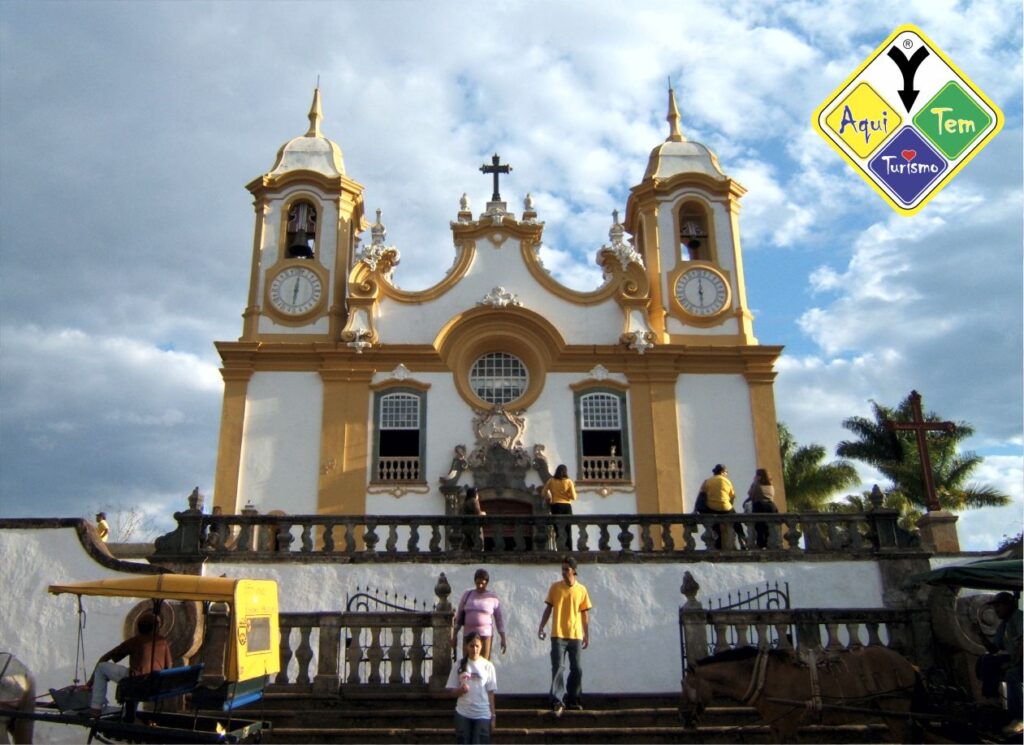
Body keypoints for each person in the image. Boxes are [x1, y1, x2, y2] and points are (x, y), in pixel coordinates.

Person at [87, 612, 173, 716]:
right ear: (156, 627)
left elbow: (105, 658)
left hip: (136, 683)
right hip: (153, 684)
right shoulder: (162, 641)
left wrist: (90, 682)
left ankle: (96, 707)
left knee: (101, 667)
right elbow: (169, 666)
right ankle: (128, 716)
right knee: (136, 676)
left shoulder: (135, 641)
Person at [537, 557, 591, 715]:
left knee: (577, 669)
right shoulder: (555, 588)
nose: (563, 572)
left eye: (566, 569)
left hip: (575, 635)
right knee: (558, 668)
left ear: (574, 570)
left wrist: (586, 634)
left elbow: (584, 614)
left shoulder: (581, 590)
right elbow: (548, 609)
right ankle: (557, 701)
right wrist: (541, 626)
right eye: (562, 569)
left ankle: (573, 699)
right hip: (558, 634)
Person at [978, 591, 1023, 732]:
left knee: (1012, 674)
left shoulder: (1019, 617)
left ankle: (1019, 718)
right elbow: (994, 649)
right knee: (986, 660)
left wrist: (1013, 664)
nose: (996, 610)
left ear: (1008, 605)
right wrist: (980, 635)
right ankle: (992, 700)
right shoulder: (1005, 624)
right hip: (1015, 658)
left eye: (999, 605)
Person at [446, 632, 497, 744]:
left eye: (477, 646)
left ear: (481, 646)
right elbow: (450, 691)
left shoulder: (488, 666)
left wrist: (493, 716)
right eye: (472, 646)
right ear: (466, 646)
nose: (474, 649)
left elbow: (490, 693)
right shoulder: (459, 665)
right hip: (463, 713)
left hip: (482, 714)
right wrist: (460, 691)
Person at [452, 569, 507, 660]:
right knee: (467, 662)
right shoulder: (467, 595)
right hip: (468, 634)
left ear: (487, 583)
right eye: (478, 583)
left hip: (485, 635)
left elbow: (499, 619)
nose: (480, 586)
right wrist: (454, 635)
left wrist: (503, 638)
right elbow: (460, 615)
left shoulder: (492, 597)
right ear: (475, 582)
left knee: (484, 663)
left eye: (483, 583)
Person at [697, 464, 746, 550]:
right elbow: (732, 497)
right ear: (723, 472)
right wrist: (729, 506)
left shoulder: (707, 481)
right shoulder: (727, 481)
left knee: (715, 526)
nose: (727, 474)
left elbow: (701, 495)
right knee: (736, 520)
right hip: (725, 507)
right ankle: (742, 536)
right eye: (726, 472)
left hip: (712, 508)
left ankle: (717, 546)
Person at [543, 464, 577, 551]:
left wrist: (549, 497)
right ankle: (569, 549)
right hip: (566, 506)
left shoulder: (551, 481)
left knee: (557, 529)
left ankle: (560, 547)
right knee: (567, 529)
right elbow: (574, 497)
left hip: (555, 506)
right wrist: (566, 494)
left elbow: (543, 492)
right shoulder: (569, 482)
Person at [742, 468, 778, 549]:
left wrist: (754, 482)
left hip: (760, 506)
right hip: (771, 506)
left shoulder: (757, 485)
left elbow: (751, 495)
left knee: (760, 527)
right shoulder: (770, 486)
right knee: (768, 527)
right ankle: (770, 544)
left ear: (759, 476)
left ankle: (761, 545)